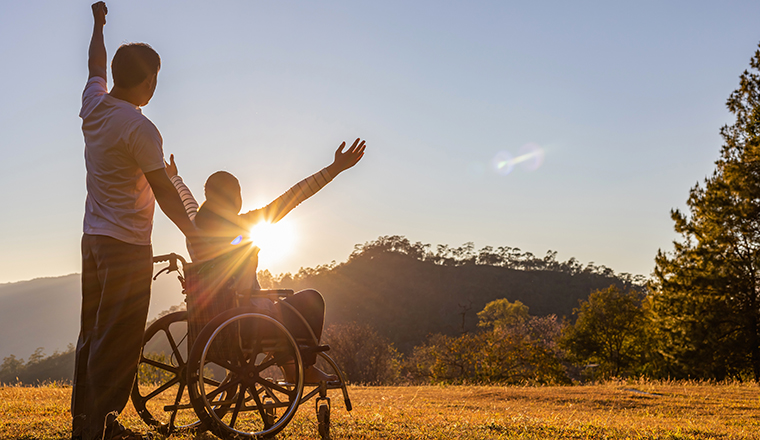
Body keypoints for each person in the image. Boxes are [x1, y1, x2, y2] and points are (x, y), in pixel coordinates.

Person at [73, 3, 198, 440]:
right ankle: (103, 426)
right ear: (148, 80)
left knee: (92, 332)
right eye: (155, 79)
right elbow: (164, 191)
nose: (155, 87)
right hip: (125, 246)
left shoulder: (94, 105)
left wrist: (97, 24)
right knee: (119, 339)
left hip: (93, 241)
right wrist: (195, 231)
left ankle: (85, 421)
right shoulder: (141, 129)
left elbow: (93, 64)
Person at [166, 138, 366, 382]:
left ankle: (255, 368)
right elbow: (294, 196)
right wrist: (334, 169)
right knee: (310, 299)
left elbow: (187, 200)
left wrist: (175, 178)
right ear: (234, 197)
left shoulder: (193, 226)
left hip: (210, 319)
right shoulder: (243, 224)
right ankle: (298, 369)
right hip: (249, 321)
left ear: (208, 195)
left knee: (273, 306)